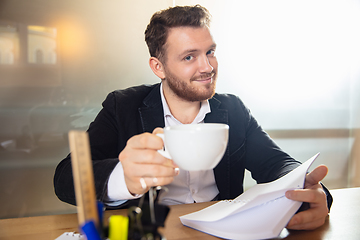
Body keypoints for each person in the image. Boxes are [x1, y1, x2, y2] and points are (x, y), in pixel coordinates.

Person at [54, 5, 332, 230]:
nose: (207, 67)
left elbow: (278, 163)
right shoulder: (123, 106)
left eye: (210, 52)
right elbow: (66, 178)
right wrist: (123, 178)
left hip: (220, 231)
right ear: (158, 67)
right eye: (189, 57)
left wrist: (308, 188)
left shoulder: (233, 110)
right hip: (154, 230)